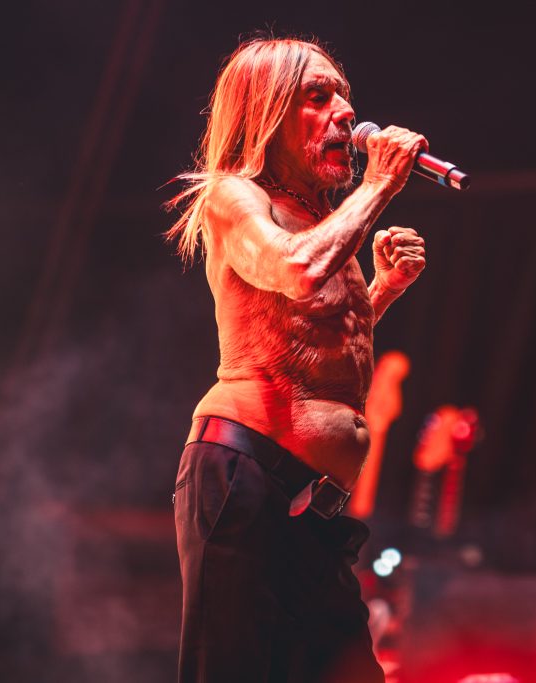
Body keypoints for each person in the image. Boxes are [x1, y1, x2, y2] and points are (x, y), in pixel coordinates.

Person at [164, 36, 428, 683]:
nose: (344, 111)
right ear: (267, 112)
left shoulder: (316, 217)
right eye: (318, 96)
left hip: (312, 506)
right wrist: (378, 187)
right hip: (245, 476)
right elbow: (298, 273)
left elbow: (318, 338)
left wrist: (382, 290)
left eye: (344, 95)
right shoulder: (234, 197)